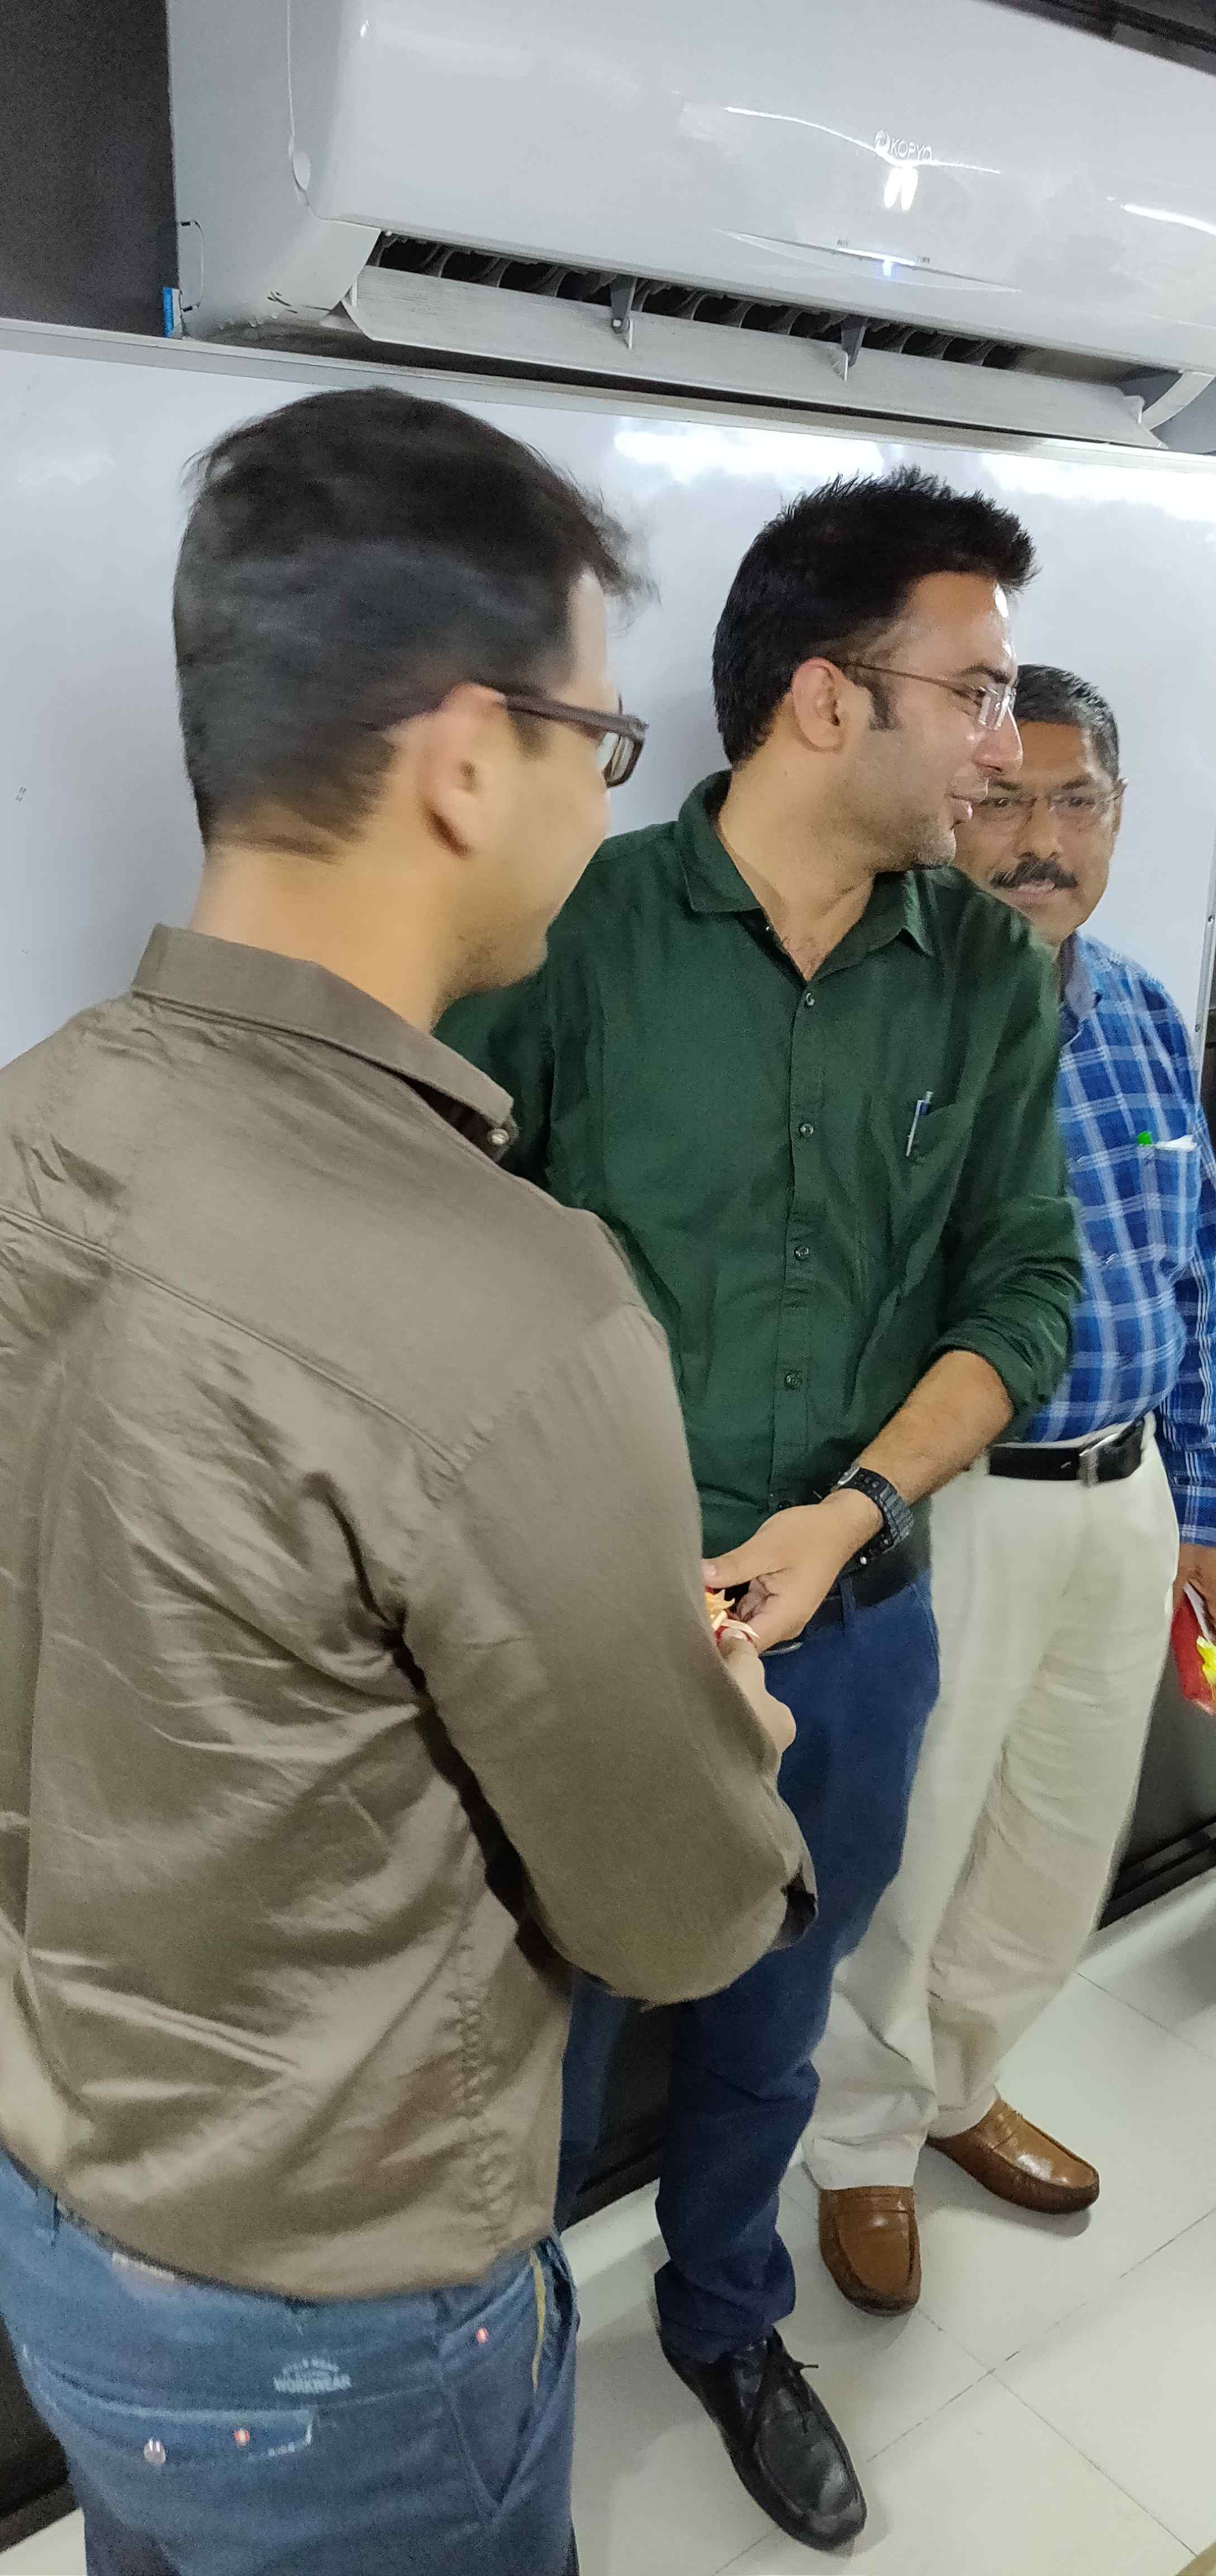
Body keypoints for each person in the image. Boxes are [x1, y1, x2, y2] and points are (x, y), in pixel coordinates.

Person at [0, 387, 816, 2576]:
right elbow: (674, 1911)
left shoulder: (31, 1120)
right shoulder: (506, 1301)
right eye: (600, 743)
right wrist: (726, 1729)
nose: (600, 800)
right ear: (469, 758)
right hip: (338, 2314)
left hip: (58, 2224)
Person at [441, 469, 1082, 2551]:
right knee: (546, 2034)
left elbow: (1024, 1290)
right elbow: (436, 1253)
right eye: (973, 692)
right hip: (590, 1636)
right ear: (827, 697)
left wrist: (857, 1511)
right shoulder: (574, 934)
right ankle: (501, 2365)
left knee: (774, 2013)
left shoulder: (980, 971)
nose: (1007, 745)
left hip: (857, 1616)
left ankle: (727, 2318)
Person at [808, 665, 1216, 2314]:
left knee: (1054, 1842)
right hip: (955, 1506)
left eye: (1077, 802)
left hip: (1126, 1495)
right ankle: (856, 2143)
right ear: (947, 811)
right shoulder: (881, 1020)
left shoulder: (1145, 1012)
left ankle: (959, 2085)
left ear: (1118, 819)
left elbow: (1196, 1270)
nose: (1041, 839)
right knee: (910, 1849)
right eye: (1002, 800)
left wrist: (1199, 1504)